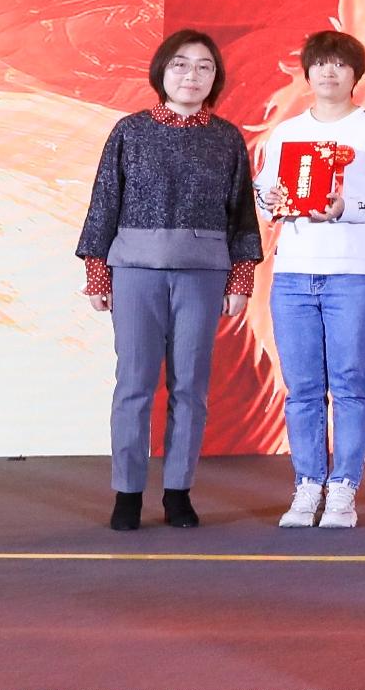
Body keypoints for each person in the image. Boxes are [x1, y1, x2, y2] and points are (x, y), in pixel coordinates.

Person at [78, 29, 262, 532]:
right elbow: (104, 203)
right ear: (162, 71)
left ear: (215, 78)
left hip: (203, 273)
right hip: (135, 270)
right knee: (134, 384)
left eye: (204, 67)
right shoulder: (130, 131)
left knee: (191, 386)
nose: (191, 76)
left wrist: (240, 279)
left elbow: (241, 214)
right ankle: (128, 493)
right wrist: (97, 272)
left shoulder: (226, 138)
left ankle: (178, 491)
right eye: (180, 65)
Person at [254, 29, 365, 531]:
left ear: (355, 75)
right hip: (293, 275)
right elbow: (263, 192)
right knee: (301, 387)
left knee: (349, 384)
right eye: (321, 63)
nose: (329, 72)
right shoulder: (286, 133)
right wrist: (272, 201)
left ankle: (343, 488)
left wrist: (347, 207)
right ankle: (307, 485)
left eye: (340, 64)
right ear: (307, 73)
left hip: (354, 275)